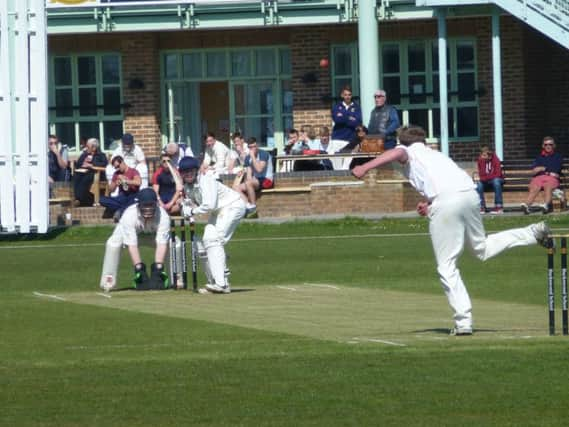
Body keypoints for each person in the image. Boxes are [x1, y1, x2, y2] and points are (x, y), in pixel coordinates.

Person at [352, 125, 551, 336]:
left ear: (404, 142)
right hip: (469, 196)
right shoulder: (435, 155)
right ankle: (532, 232)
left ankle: (463, 321)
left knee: (446, 265)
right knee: (480, 248)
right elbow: (446, 183)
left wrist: (365, 168)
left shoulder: (408, 151)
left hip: (448, 201)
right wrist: (429, 203)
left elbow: (398, 153)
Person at [179, 156, 246, 294]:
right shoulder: (187, 187)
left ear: (196, 170)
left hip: (232, 205)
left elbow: (209, 205)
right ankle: (218, 282)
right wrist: (185, 207)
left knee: (213, 240)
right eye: (185, 172)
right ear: (181, 173)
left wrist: (191, 211)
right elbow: (195, 204)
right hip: (219, 211)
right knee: (202, 244)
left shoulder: (206, 181)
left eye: (191, 171)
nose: (188, 174)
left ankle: (221, 283)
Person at [99, 187, 171, 291]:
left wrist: (158, 268)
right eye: (145, 205)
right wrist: (139, 268)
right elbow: (132, 245)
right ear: (138, 205)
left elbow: (162, 243)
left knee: (175, 243)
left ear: (156, 204)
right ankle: (108, 281)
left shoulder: (163, 216)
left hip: (151, 236)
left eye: (151, 205)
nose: (148, 209)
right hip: (130, 236)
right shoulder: (129, 215)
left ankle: (177, 280)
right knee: (113, 243)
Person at [233, 137, 274, 218]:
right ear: (248, 147)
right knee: (235, 187)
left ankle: (253, 207)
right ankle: (248, 206)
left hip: (267, 179)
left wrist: (253, 157)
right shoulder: (248, 158)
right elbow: (249, 175)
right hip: (256, 180)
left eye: (254, 146)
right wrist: (246, 181)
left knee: (249, 183)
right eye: (251, 147)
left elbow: (259, 169)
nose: (253, 149)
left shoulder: (263, 154)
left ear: (257, 145)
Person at [521, 136, 563, 215]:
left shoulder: (558, 157)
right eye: (546, 144)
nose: (548, 146)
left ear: (554, 145)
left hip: (552, 178)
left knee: (548, 186)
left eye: (550, 144)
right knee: (534, 187)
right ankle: (526, 205)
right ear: (543, 146)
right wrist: (544, 170)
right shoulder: (539, 157)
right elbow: (534, 171)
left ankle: (546, 205)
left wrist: (543, 169)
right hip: (538, 178)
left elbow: (556, 170)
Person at [99, 155, 141, 222]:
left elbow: (138, 182)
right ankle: (122, 209)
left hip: (133, 194)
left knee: (134, 201)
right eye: (116, 168)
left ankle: (120, 211)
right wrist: (116, 183)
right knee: (101, 199)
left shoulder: (133, 171)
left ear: (122, 162)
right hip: (122, 196)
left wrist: (126, 181)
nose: (117, 169)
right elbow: (111, 190)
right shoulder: (116, 174)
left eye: (118, 166)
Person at [73, 138, 108, 206]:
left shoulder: (101, 155)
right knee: (76, 177)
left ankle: (79, 199)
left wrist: (92, 165)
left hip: (96, 174)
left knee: (86, 178)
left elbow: (104, 164)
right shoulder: (85, 154)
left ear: (94, 147)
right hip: (84, 172)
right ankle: (77, 198)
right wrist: (83, 162)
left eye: (88, 146)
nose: (86, 148)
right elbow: (78, 164)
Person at [475, 146, 504, 215]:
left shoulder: (496, 160)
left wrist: (486, 177)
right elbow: (481, 175)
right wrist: (485, 178)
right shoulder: (481, 160)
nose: (482, 157)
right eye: (482, 155)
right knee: (479, 184)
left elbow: (498, 174)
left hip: (497, 180)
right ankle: (482, 207)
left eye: (484, 155)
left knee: (496, 181)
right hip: (486, 181)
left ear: (489, 155)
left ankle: (498, 207)